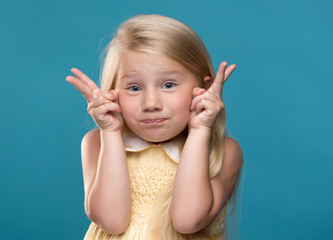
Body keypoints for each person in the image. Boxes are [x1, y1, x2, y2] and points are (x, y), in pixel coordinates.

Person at [66, 14, 243, 240]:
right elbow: (112, 221)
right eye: (134, 88)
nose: (151, 104)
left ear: (204, 90)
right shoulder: (97, 142)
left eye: (168, 85)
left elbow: (188, 220)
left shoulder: (223, 152)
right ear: (113, 92)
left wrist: (199, 130)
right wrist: (110, 132)